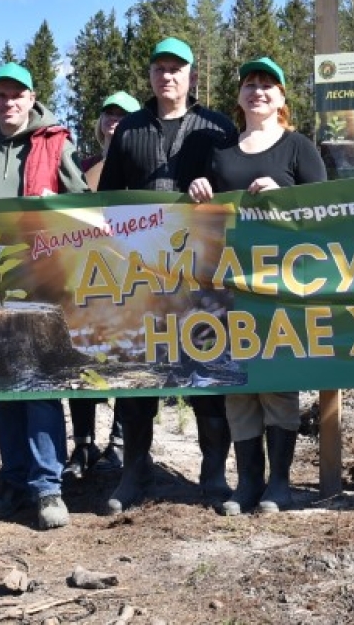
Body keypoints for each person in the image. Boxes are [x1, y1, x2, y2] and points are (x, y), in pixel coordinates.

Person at [98, 37, 239, 514]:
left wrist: (214, 189)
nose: (168, 77)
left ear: (192, 76)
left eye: (177, 69)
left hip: (202, 272)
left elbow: (233, 188)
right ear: (151, 77)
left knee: (206, 371)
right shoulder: (129, 129)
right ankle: (134, 471)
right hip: (141, 273)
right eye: (160, 69)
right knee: (138, 375)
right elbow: (107, 199)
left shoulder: (216, 126)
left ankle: (214, 474)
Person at [187, 57, 326, 516]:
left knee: (277, 383)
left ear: (282, 98)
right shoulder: (220, 150)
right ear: (240, 96)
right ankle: (247, 483)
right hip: (225, 284)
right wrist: (200, 188)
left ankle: (280, 485)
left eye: (268, 85)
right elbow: (201, 216)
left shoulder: (297, 148)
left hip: (279, 286)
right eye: (250, 84)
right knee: (237, 382)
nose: (258, 92)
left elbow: (325, 213)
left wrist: (287, 201)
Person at [0, 63, 89, 530]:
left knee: (39, 384)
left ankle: (48, 487)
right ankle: (12, 481)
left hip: (42, 277)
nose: (8, 102)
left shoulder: (56, 141)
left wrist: (58, 206)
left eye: (17, 94)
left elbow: (83, 203)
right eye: (0, 95)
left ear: (32, 98)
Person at [67, 90, 141, 480]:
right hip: (86, 276)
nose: (114, 121)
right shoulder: (83, 168)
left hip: (133, 277)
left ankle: (120, 442)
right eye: (108, 114)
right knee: (82, 360)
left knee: (129, 359)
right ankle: (82, 444)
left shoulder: (142, 165)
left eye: (123, 115)